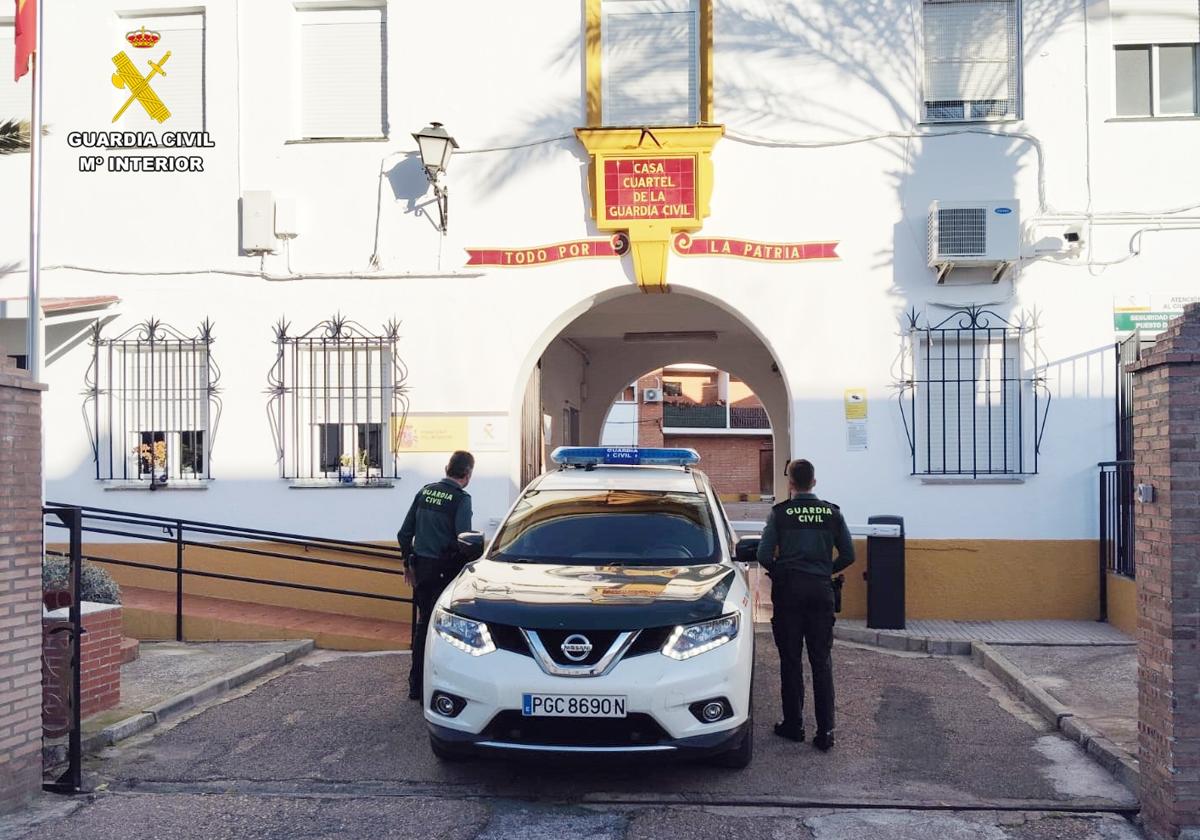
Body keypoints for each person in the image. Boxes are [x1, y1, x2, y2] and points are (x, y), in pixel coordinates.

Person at [756, 458, 855, 751]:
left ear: (790, 483)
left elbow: (763, 554)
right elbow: (848, 554)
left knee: (791, 660)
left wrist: (780, 571)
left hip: (788, 594)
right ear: (814, 481)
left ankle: (794, 725)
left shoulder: (780, 514)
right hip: (821, 592)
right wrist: (825, 570)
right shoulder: (831, 513)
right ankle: (825, 732)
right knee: (821, 661)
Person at [398, 450, 475, 701]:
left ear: (446, 468)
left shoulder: (424, 492)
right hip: (446, 571)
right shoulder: (461, 499)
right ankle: (442, 689)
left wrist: (408, 562)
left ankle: (416, 686)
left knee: (423, 627)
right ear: (467, 474)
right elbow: (464, 541)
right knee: (447, 630)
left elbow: (403, 534)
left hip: (421, 568)